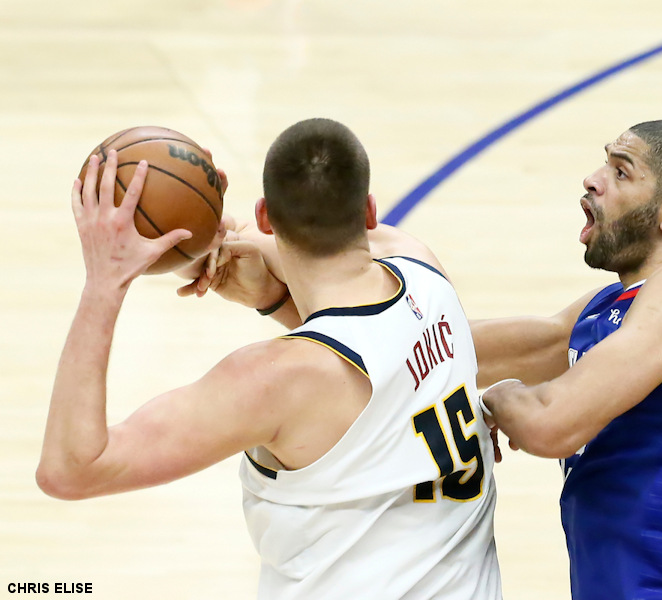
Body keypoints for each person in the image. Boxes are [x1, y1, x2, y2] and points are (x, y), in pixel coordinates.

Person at [200, 119, 662, 600]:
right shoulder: (614, 309)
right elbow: (433, 346)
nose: (593, 179)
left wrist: (491, 400)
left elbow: (549, 424)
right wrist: (270, 278)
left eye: (621, 171)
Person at [37, 118, 502, 600]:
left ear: (264, 215)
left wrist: (105, 280)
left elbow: (71, 469)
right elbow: (366, 338)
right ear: (368, 210)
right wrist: (268, 295)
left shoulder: (273, 382)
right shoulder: (423, 272)